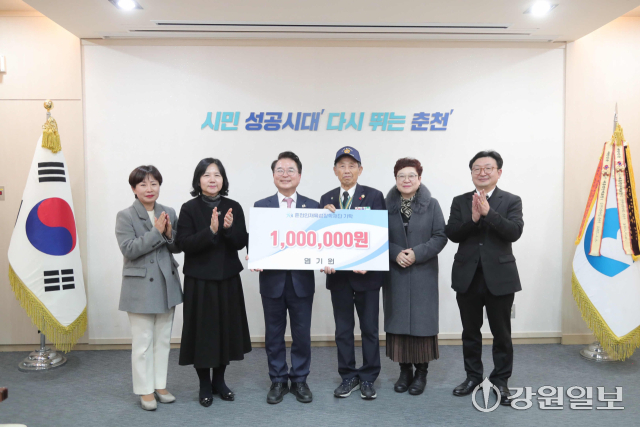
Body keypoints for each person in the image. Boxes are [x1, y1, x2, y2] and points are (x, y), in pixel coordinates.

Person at [444, 150, 523, 406]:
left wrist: (490, 214)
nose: (482, 173)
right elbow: (452, 233)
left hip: (500, 277)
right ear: (471, 173)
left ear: (498, 172)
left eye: (488, 168)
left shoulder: (511, 200)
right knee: (470, 332)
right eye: (477, 168)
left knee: (502, 333)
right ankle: (473, 377)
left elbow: (514, 232)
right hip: (467, 277)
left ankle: (501, 380)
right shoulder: (460, 201)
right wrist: (474, 219)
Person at [176, 158, 251, 408]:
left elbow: (240, 242)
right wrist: (210, 231)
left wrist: (228, 229)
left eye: (217, 175)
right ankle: (204, 384)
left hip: (227, 279)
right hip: (199, 281)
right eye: (207, 175)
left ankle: (219, 381)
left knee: (225, 332)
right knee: (202, 334)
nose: (212, 179)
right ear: (198, 180)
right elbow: (183, 243)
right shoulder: (189, 208)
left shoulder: (233, 206)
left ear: (223, 180)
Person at [250, 151, 320, 404]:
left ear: (299, 175)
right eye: (280, 170)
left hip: (302, 282)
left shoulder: (314, 207)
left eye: (291, 170)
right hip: (272, 282)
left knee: (302, 335)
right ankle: (278, 380)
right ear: (273, 175)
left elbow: (321, 242)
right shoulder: (261, 206)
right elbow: (255, 240)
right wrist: (254, 255)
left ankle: (300, 379)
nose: (285, 174)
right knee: (274, 335)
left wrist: (328, 257)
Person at [319, 146, 386, 400]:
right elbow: (321, 236)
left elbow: (380, 233)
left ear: (360, 169)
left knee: (369, 329)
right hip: (339, 278)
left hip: (367, 276)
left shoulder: (374, 196)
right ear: (335, 170)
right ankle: (347, 376)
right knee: (343, 331)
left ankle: (368, 377)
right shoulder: (326, 198)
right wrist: (324, 259)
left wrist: (369, 261)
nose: (346, 170)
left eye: (351, 165)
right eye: (342, 166)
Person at [115, 165, 182, 411]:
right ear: (134, 189)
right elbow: (129, 249)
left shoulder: (169, 211)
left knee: (163, 340)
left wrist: (170, 234)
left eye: (154, 183)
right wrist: (156, 232)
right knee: (142, 342)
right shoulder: (125, 215)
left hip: (166, 283)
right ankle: (145, 389)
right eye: (143, 184)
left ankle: (160, 385)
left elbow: (177, 247)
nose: (149, 188)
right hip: (140, 286)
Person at [383, 158, 447, 396]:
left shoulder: (432, 205)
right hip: (396, 272)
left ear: (419, 178)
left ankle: (421, 373)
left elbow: (440, 236)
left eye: (411, 175)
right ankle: (404, 372)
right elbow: (376, 237)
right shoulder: (385, 206)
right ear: (396, 179)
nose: (406, 180)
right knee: (398, 321)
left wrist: (417, 253)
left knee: (422, 323)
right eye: (401, 176)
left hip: (423, 273)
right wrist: (395, 253)